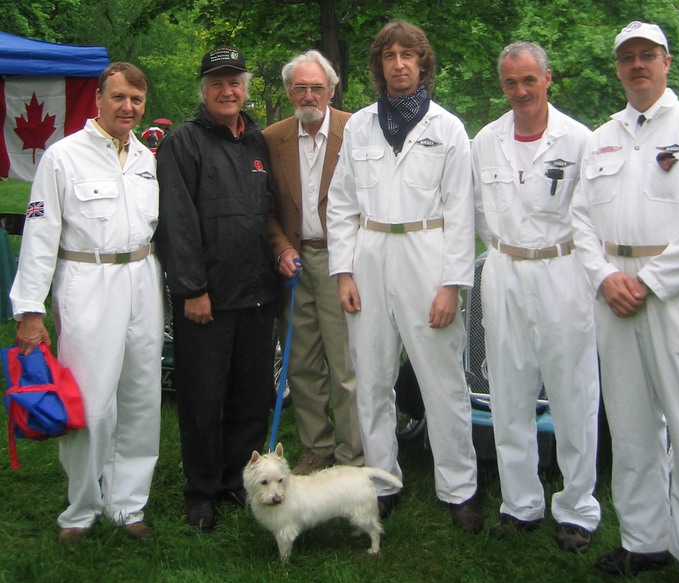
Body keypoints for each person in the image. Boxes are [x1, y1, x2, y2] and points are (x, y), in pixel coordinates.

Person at [327, 20, 482, 531]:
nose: (398, 64)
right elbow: (343, 203)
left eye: (407, 56)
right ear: (379, 65)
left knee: (443, 383)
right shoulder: (359, 127)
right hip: (370, 255)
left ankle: (458, 487)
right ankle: (382, 480)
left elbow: (462, 212)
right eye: (389, 56)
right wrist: (344, 272)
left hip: (427, 255)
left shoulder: (448, 129)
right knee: (371, 380)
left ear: (422, 63)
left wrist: (452, 284)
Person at [571, 22, 679, 583]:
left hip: (676, 296)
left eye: (647, 55)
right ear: (618, 68)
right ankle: (643, 540)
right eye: (627, 58)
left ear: (667, 62)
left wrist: (649, 281)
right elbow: (579, 220)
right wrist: (604, 276)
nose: (637, 65)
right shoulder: (602, 137)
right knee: (628, 426)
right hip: (613, 293)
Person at [10, 62, 163, 543]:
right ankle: (81, 508)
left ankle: (127, 505)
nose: (128, 107)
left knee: (141, 398)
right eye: (118, 97)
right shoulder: (63, 157)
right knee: (91, 404)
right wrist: (30, 311)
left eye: (136, 100)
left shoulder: (144, 157)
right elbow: (39, 236)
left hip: (143, 277)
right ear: (98, 98)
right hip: (87, 280)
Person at [472, 41, 601, 553]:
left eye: (530, 80)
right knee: (508, 393)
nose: (521, 91)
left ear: (548, 79)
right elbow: (477, 211)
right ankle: (520, 503)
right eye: (511, 82)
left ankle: (578, 508)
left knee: (573, 394)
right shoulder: (485, 140)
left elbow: (592, 216)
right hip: (504, 269)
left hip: (562, 271)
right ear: (502, 85)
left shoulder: (581, 140)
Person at [155, 47, 278, 532]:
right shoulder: (182, 143)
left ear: (245, 87)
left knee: (252, 396)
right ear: (203, 91)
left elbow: (267, 212)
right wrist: (191, 289)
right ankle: (201, 490)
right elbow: (177, 222)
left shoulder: (257, 142)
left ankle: (233, 479)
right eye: (217, 83)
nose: (228, 91)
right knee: (203, 398)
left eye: (235, 82)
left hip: (258, 294)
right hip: (206, 297)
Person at [264, 50, 363, 475]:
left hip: (343, 263)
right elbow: (263, 206)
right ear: (289, 91)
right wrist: (281, 246)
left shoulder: (357, 130)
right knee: (301, 363)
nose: (308, 94)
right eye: (300, 87)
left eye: (316, 87)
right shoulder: (272, 139)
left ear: (331, 89)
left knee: (345, 364)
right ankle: (317, 447)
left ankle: (352, 452)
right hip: (294, 262)